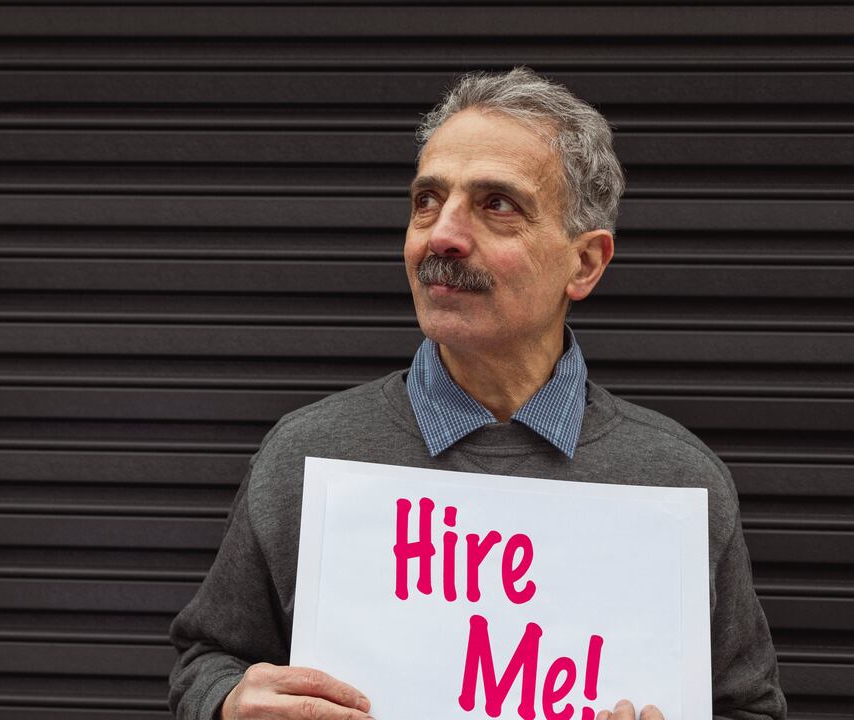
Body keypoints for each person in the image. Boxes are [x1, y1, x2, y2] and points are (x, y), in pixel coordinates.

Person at [167, 67, 787, 720]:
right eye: (426, 201)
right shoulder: (306, 457)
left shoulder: (678, 483)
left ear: (586, 263)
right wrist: (228, 702)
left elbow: (749, 705)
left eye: (497, 205)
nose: (442, 236)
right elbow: (204, 662)